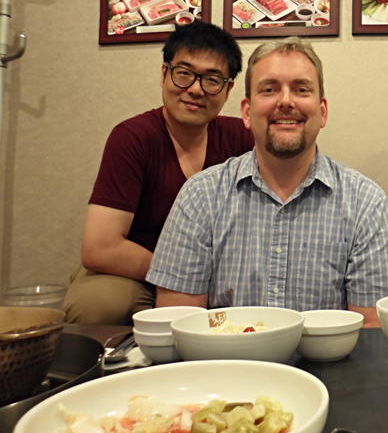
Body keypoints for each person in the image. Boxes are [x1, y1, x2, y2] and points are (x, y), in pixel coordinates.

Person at [146, 37, 388, 327]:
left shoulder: (365, 203)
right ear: (246, 112)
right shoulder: (200, 197)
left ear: (323, 112)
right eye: (269, 89)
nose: (285, 101)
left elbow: (374, 333)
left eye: (301, 89)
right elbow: (181, 325)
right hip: (225, 367)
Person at [63, 22, 254, 325]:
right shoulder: (132, 138)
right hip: (139, 275)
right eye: (184, 73)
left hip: (218, 274)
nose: (195, 89)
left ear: (229, 90)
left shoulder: (242, 137)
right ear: (164, 74)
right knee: (96, 303)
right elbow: (101, 247)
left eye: (212, 80)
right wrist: (185, 276)